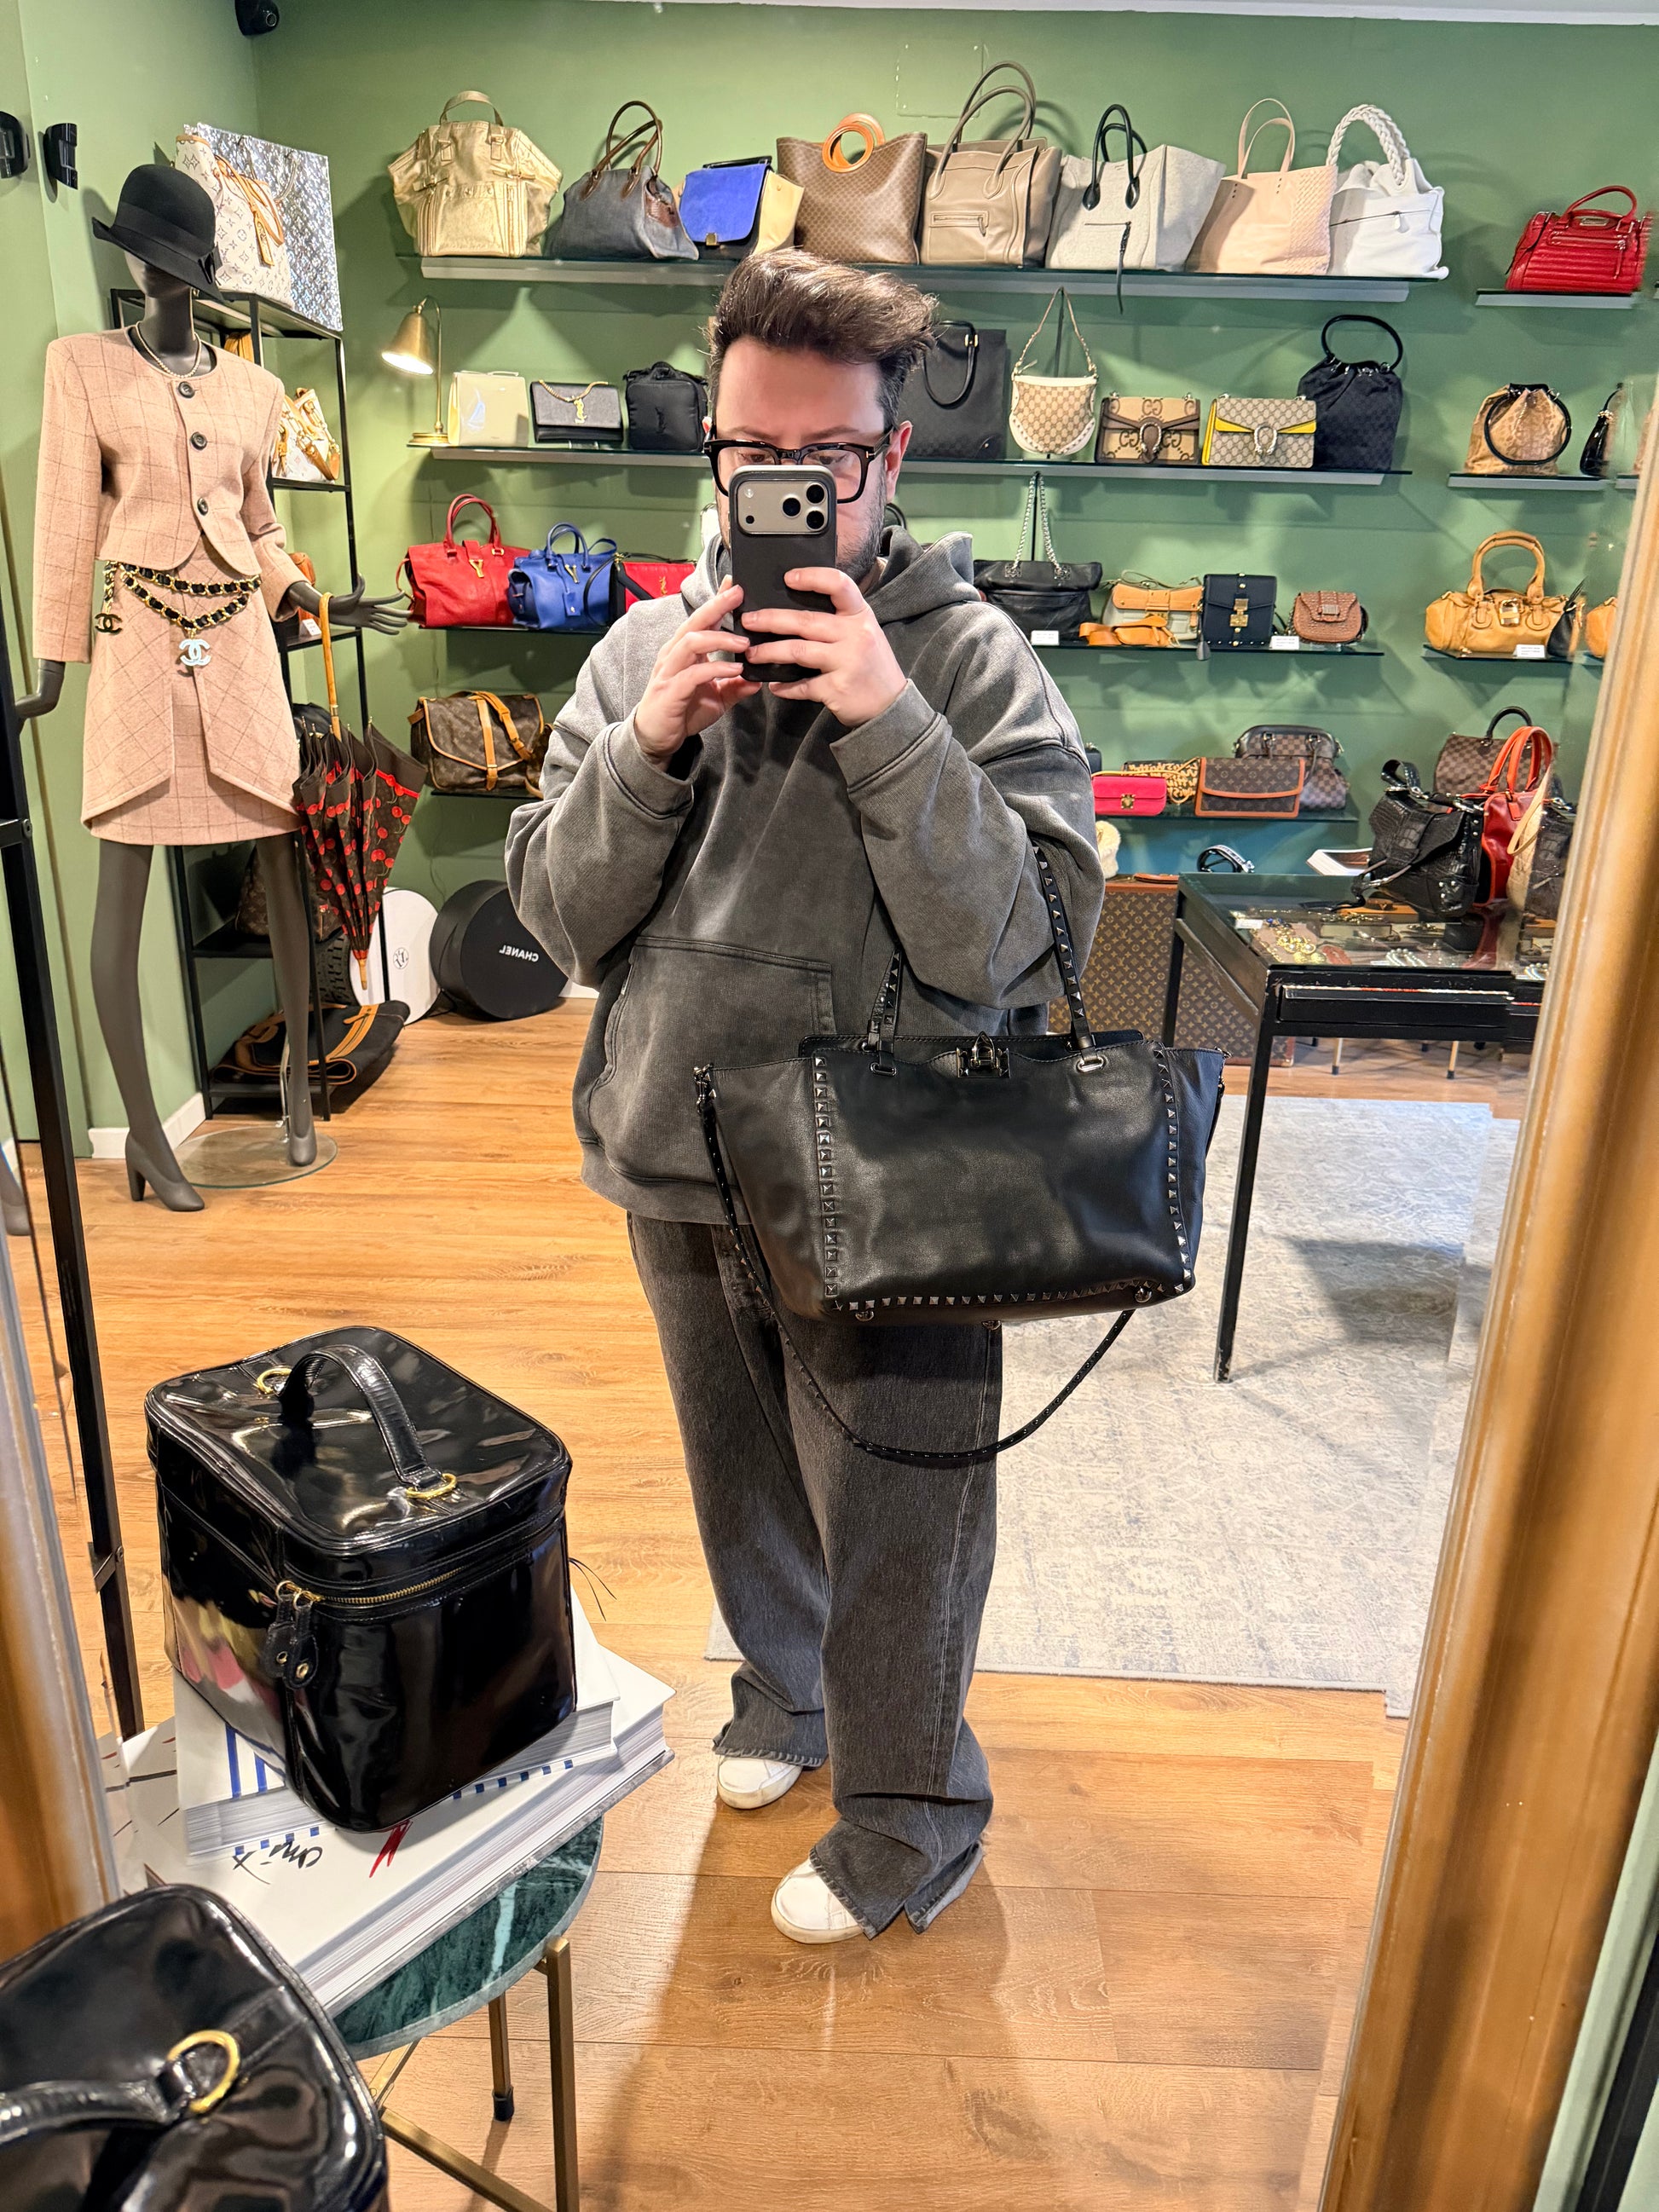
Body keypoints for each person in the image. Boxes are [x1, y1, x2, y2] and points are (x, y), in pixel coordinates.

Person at [507, 250, 1101, 1945]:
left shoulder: (971, 661)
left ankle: (912, 1816)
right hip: (675, 1139)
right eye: (747, 453)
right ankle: (787, 1692)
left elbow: (1026, 944)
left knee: (904, 1508)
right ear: (711, 447)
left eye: (825, 458)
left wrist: (889, 721)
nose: (782, 490)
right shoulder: (642, 647)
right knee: (742, 1473)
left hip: (893, 1170)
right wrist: (648, 747)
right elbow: (553, 918)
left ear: (891, 457)